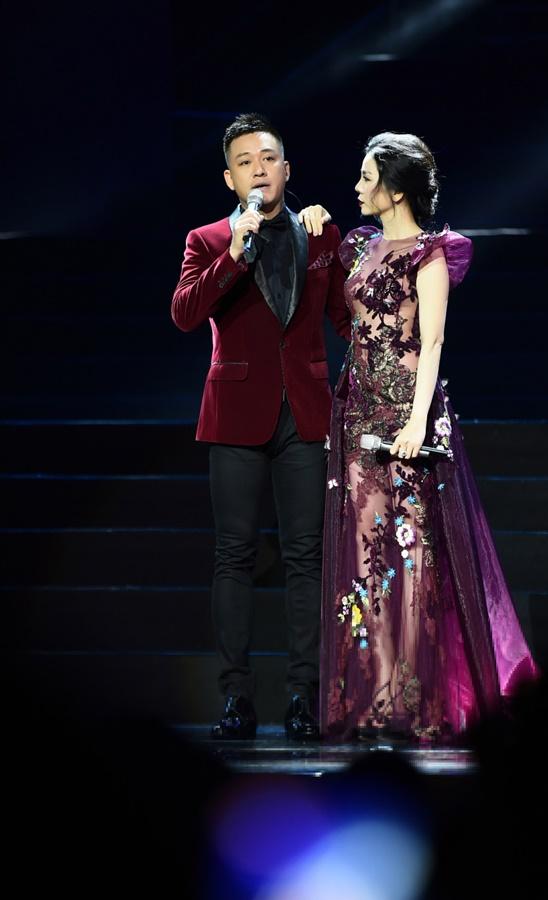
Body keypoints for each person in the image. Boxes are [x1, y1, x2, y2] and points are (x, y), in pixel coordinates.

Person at [319, 132, 537, 741]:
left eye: (367, 178)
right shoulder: (358, 246)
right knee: (366, 560)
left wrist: (417, 421)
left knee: (413, 558)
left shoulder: (431, 253)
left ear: (395, 189)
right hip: (358, 412)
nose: (357, 187)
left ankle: (414, 702)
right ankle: (372, 698)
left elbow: (432, 341)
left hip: (408, 413)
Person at [171, 113, 350, 741]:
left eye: (268, 158)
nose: (259, 170)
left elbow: (347, 319)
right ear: (230, 178)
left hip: (305, 412)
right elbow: (185, 314)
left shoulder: (320, 234)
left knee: (306, 556)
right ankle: (235, 698)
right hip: (235, 412)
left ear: (287, 168)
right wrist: (233, 254)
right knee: (234, 554)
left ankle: (304, 695)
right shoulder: (207, 239)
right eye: (245, 162)